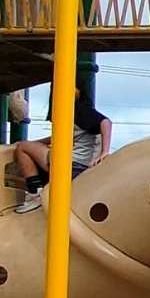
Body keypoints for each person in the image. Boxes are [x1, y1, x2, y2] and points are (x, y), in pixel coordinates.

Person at [14, 86, 111, 214]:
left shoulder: (77, 110)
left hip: (70, 164)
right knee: (27, 146)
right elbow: (56, 138)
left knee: (22, 148)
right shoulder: (79, 114)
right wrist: (34, 143)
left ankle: (35, 193)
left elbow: (106, 122)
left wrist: (105, 152)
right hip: (81, 165)